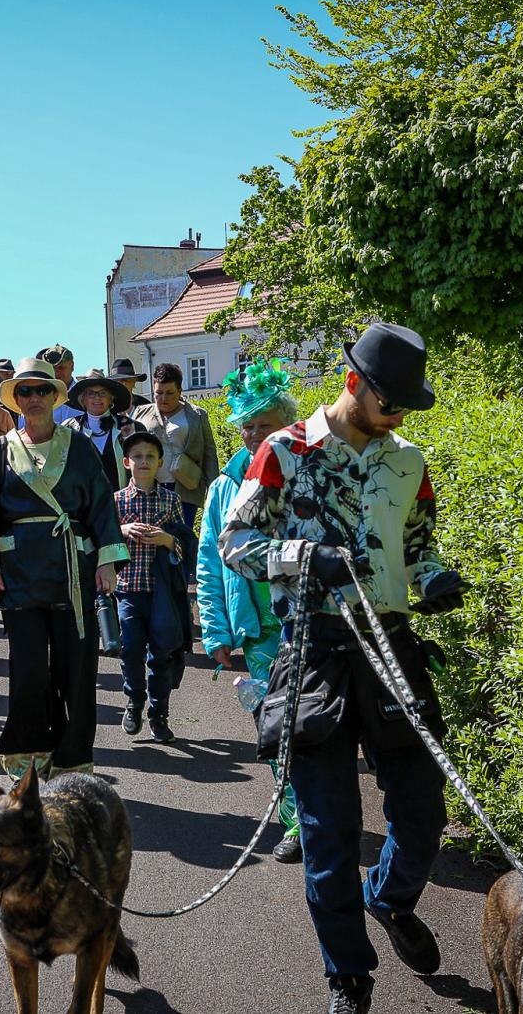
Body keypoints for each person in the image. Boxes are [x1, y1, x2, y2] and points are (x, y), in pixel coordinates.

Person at [219, 323, 469, 1014]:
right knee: (329, 835)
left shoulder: (408, 461)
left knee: (422, 812)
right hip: (315, 652)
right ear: (354, 383)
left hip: (390, 647)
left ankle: (389, 899)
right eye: (392, 402)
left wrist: (435, 579)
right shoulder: (283, 451)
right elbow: (234, 541)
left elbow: (419, 545)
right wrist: (301, 557)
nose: (398, 418)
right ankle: (348, 979)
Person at [0, 358, 127, 779]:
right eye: (25, 391)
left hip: (73, 571)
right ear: (15, 398)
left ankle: (72, 758)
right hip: (18, 574)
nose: (34, 398)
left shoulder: (77, 445)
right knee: (27, 669)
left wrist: (109, 559)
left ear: (54, 396)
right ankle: (27, 752)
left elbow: (100, 503)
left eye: (42, 390)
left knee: (76, 669)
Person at [197, 358, 303, 863]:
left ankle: (324, 814)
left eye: (266, 426)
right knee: (278, 725)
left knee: (317, 721)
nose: (256, 436)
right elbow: (209, 563)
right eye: (249, 427)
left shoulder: (306, 473)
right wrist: (216, 630)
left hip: (304, 621)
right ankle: (296, 821)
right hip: (258, 630)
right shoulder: (222, 487)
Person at [112, 431, 196, 745]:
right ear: (126, 462)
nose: (143, 462)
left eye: (150, 456)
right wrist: (122, 529)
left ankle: (159, 714)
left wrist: (168, 539)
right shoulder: (116, 501)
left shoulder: (171, 499)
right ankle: (134, 701)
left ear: (159, 462)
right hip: (129, 589)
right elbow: (103, 541)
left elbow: (186, 545)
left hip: (162, 593)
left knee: (161, 653)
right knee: (131, 648)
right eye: (137, 456)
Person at [131, 362, 219, 530]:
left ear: (180, 391)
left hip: (185, 487)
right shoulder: (140, 413)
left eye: (170, 393)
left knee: (182, 539)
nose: (163, 398)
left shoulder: (197, 415)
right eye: (158, 393)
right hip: (150, 487)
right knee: (152, 538)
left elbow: (209, 454)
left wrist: (214, 491)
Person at [61, 368, 136, 491]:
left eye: (103, 393)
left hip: (121, 503)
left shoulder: (127, 426)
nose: (97, 398)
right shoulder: (68, 428)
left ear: (111, 399)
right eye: (91, 393)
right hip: (84, 506)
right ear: (83, 399)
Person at [36, 343, 84, 427]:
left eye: (61, 368)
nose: (56, 373)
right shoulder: (38, 397)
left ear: (72, 366)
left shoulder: (85, 395)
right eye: (52, 368)